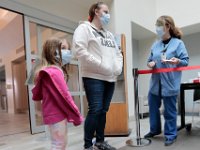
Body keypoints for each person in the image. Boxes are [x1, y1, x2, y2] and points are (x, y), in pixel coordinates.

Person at [72, 2, 123, 150]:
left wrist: (118, 68)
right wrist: (101, 65)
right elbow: (79, 51)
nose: (108, 15)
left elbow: (118, 54)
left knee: (103, 111)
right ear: (96, 11)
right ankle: (88, 145)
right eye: (106, 11)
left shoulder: (109, 34)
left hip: (110, 77)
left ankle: (100, 142)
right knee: (95, 109)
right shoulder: (84, 28)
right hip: (94, 76)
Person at [144, 15, 189, 146]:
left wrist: (178, 61)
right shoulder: (155, 45)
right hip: (155, 83)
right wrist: (150, 64)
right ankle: (154, 129)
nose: (157, 29)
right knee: (153, 107)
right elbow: (149, 60)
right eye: (156, 26)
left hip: (170, 83)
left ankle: (170, 134)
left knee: (169, 110)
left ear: (168, 26)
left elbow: (185, 61)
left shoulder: (178, 44)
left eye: (159, 26)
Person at [31, 37, 83, 150]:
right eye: (63, 48)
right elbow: (65, 96)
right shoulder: (54, 72)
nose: (67, 52)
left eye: (68, 49)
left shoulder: (50, 71)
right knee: (59, 144)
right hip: (56, 114)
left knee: (59, 143)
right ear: (52, 51)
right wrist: (77, 115)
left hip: (53, 114)